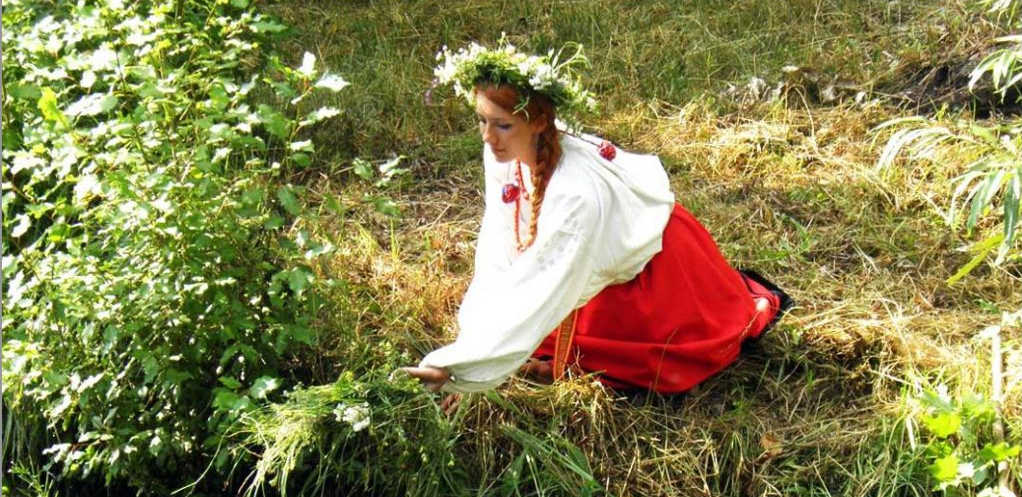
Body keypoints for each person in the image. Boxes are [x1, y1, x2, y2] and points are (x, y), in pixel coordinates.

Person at [401, 39, 792, 395]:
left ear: (538, 123)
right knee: (528, 325)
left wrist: (460, 370)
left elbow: (546, 282)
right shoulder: (504, 152)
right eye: (482, 120)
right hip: (585, 257)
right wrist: (475, 337)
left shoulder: (575, 196)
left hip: (657, 280)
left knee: (636, 355)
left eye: (503, 125)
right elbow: (499, 242)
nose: (488, 137)